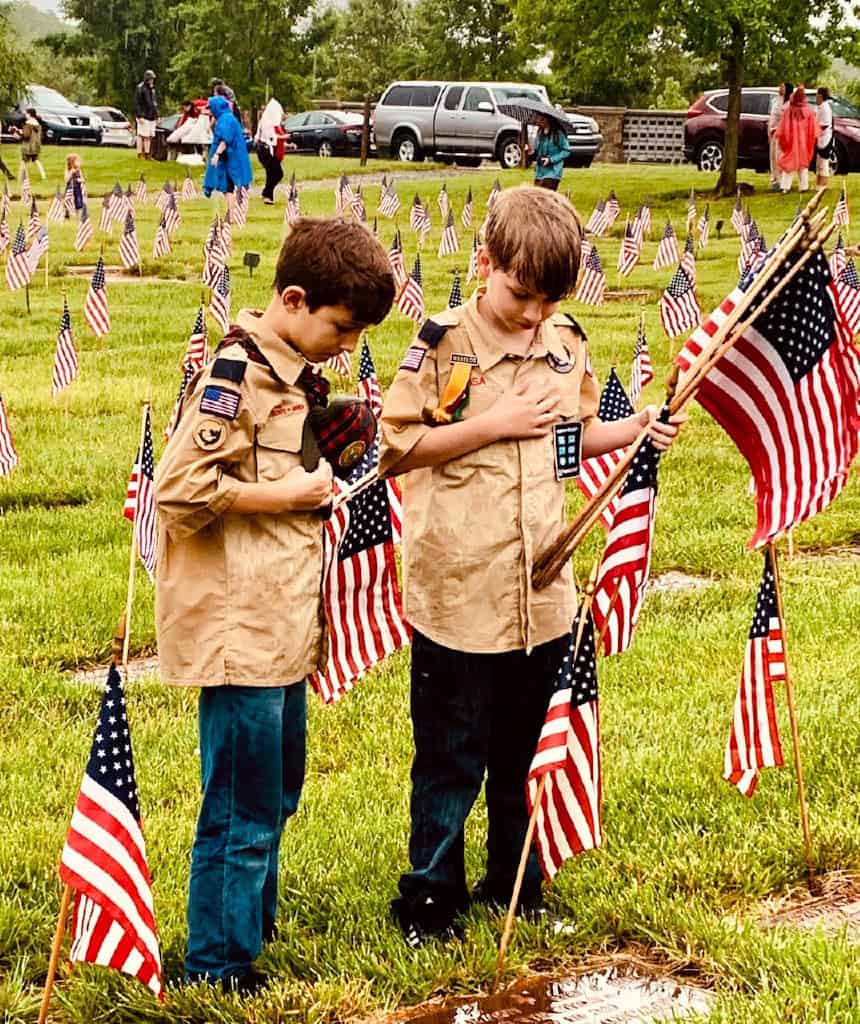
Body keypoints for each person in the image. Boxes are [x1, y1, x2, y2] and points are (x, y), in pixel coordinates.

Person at [378, 186, 686, 947]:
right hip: (460, 589)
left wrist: (637, 429)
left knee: (525, 750)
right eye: (520, 295)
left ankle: (517, 881)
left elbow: (570, 440)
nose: (531, 315)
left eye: (547, 302)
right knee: (451, 757)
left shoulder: (564, 342)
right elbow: (394, 448)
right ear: (485, 262)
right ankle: (430, 900)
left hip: (541, 590)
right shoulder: (442, 343)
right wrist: (490, 425)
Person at [154, 217, 396, 993]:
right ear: (293, 300)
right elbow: (180, 490)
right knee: (240, 803)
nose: (346, 343)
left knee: (278, 789)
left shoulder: (294, 375)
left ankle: (250, 923)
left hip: (285, 622)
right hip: (241, 628)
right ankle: (217, 965)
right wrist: (284, 492)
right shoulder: (236, 375)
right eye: (340, 327)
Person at [203, 95, 253, 197]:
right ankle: (231, 211)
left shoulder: (225, 120)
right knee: (227, 188)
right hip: (229, 158)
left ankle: (233, 211)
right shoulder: (226, 118)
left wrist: (217, 154)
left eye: (211, 108)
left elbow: (225, 140)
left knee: (232, 187)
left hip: (232, 159)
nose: (210, 110)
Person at [777, 85, 818, 193]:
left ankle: (785, 187)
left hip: (791, 141)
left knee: (789, 163)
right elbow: (813, 129)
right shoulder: (809, 111)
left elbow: (783, 127)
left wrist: (784, 139)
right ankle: (803, 186)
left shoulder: (789, 110)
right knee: (803, 164)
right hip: (804, 142)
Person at [255, 98, 287, 204]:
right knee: (276, 173)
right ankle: (267, 194)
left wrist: (287, 143)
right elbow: (271, 138)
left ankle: (268, 194)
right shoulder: (267, 122)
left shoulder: (270, 122)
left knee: (272, 174)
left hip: (269, 150)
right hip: (266, 150)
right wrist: (285, 137)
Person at [531, 114, 571, 191]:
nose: (539, 121)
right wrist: (529, 151)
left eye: (542, 119)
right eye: (539, 119)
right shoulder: (539, 133)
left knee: (546, 197)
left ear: (548, 119)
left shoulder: (558, 134)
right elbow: (537, 152)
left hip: (553, 173)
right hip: (539, 173)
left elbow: (566, 151)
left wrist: (551, 160)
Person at [768, 82, 793, 191]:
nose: (780, 88)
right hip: (774, 134)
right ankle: (775, 180)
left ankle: (782, 181)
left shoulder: (789, 104)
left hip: (783, 134)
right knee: (773, 157)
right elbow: (772, 116)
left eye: (782, 87)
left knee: (781, 157)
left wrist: (777, 128)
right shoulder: (776, 100)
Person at [134, 69, 159, 159]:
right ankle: (141, 153)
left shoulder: (152, 89)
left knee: (150, 136)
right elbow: (137, 103)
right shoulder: (140, 88)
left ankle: (148, 153)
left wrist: (156, 115)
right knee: (142, 135)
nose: (152, 80)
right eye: (151, 79)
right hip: (143, 115)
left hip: (151, 115)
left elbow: (154, 103)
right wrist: (139, 115)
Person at [16, 108, 46, 180]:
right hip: (36, 146)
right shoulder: (37, 123)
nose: (25, 115)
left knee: (23, 162)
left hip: (28, 147)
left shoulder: (28, 123)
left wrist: (18, 133)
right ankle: (43, 176)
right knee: (36, 161)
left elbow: (26, 136)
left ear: (29, 114)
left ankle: (20, 177)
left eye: (26, 113)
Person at [815, 86, 834, 187]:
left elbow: (824, 124)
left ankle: (823, 185)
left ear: (821, 96)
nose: (816, 98)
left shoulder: (825, 108)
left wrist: (814, 130)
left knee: (823, 163)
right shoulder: (820, 107)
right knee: (819, 163)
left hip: (825, 138)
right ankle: (818, 184)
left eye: (817, 95)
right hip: (820, 138)